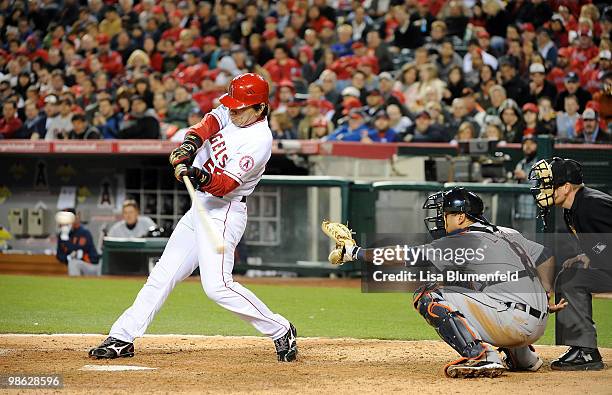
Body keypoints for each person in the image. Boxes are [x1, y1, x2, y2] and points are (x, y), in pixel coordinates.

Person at [89, 73, 297, 363]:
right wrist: (190, 143)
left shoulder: (259, 141)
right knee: (163, 274)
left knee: (217, 287)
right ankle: (123, 337)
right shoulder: (233, 111)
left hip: (224, 210)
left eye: (240, 108)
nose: (233, 111)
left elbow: (224, 185)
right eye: (232, 106)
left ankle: (280, 328)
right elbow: (209, 122)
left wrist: (196, 174)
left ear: (260, 108)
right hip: (200, 206)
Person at [322, 188, 566, 378]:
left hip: (513, 322)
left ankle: (481, 355)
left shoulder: (465, 240)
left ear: (461, 217)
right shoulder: (507, 232)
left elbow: (406, 256)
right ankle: (522, 357)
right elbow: (546, 256)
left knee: (427, 294)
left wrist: (355, 252)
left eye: (445, 214)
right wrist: (545, 294)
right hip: (537, 324)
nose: (441, 220)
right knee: (473, 285)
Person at [529, 158, 612, 371]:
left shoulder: (591, 204)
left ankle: (585, 351)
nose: (542, 190)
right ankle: (581, 348)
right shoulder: (572, 208)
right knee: (569, 276)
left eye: (548, 185)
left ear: (566, 187)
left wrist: (596, 253)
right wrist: (588, 254)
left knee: (573, 280)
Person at [55, 209, 100, 277]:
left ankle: (74, 285)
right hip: (75, 266)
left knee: (73, 263)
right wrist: (68, 257)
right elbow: (59, 255)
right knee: (73, 263)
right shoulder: (62, 235)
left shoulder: (84, 232)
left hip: (91, 266)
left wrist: (66, 239)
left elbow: (78, 253)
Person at [513, 136, 538, 233]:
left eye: (531, 144)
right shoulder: (520, 164)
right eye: (525, 144)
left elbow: (539, 185)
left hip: (531, 213)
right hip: (518, 212)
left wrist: (525, 176)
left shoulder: (540, 164)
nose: (528, 146)